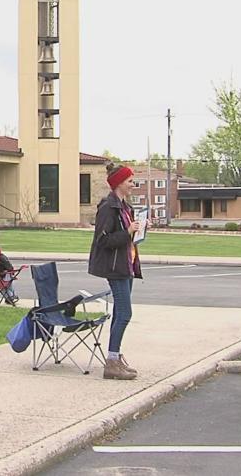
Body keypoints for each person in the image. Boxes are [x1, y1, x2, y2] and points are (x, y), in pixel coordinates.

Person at [88, 163, 146, 380]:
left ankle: (115, 357)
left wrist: (139, 229)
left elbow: (126, 236)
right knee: (125, 313)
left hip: (127, 264)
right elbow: (102, 241)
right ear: (119, 183)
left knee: (120, 313)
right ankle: (111, 363)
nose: (133, 184)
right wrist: (127, 231)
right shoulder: (108, 207)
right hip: (115, 267)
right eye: (130, 181)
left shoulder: (125, 207)